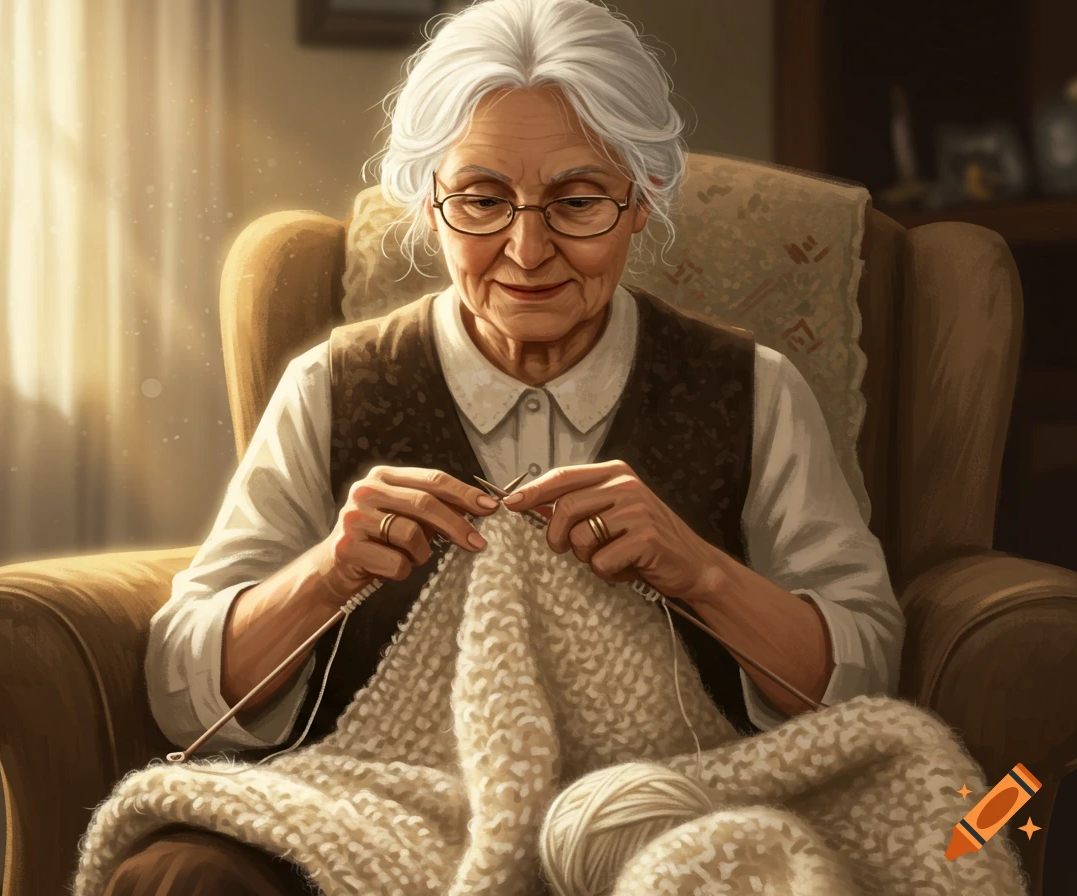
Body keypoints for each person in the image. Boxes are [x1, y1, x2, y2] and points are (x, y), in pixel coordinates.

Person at [98, 0, 905, 892]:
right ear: (430, 206)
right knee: (175, 876)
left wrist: (702, 572)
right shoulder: (332, 386)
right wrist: (325, 574)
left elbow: (863, 674)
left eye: (578, 201)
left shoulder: (753, 389)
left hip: (655, 813)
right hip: (379, 811)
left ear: (642, 203)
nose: (528, 249)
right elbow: (182, 686)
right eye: (481, 201)